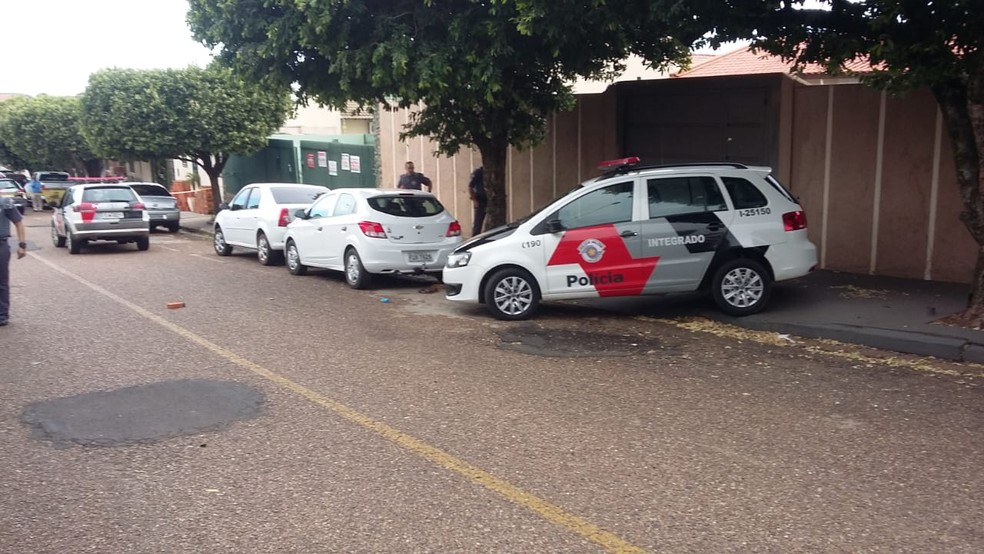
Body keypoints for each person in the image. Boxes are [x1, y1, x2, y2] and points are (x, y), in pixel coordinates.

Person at [0, 196, 28, 326]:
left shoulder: (4, 203)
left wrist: (22, 245)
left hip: (1, 245)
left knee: (1, 282)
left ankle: (2, 315)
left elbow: (18, 222)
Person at [467, 166, 487, 236]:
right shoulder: (478, 172)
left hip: (490, 200)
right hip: (480, 200)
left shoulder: (492, 172)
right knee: (478, 223)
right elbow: (470, 187)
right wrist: (475, 200)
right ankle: (475, 238)